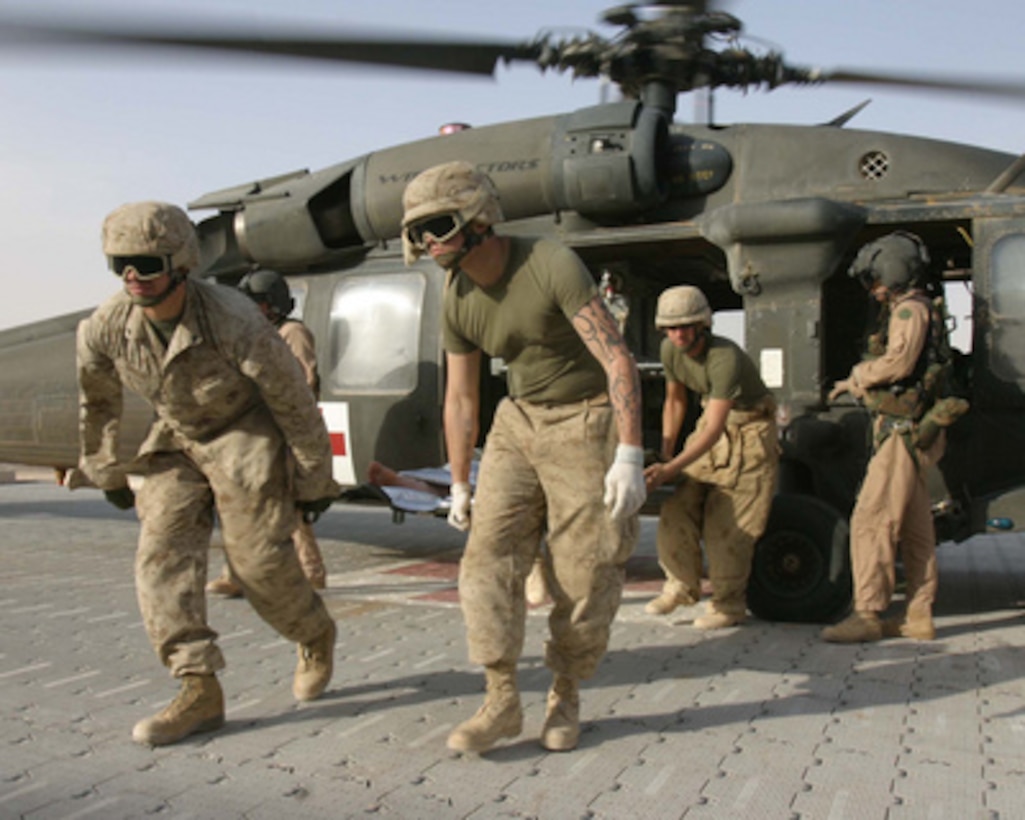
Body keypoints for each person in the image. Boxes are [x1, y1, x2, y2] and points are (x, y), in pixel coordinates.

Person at [401, 161, 646, 753]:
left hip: (585, 415)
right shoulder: (457, 296)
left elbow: (617, 358)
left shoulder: (549, 263)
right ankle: (501, 700)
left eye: (438, 225)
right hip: (519, 419)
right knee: (485, 560)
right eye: (417, 232)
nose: (429, 243)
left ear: (479, 218)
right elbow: (460, 398)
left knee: (585, 568)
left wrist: (630, 452)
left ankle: (565, 691)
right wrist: (460, 483)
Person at [76, 201, 339, 747]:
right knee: (160, 554)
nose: (132, 277)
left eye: (146, 264)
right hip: (177, 437)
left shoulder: (233, 320)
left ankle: (315, 634)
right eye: (120, 264)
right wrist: (104, 469)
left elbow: (292, 399)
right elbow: (98, 400)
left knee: (258, 566)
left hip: (243, 432)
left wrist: (313, 479)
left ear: (180, 263)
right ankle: (198, 687)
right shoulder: (107, 326)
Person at [822, 231, 961, 643]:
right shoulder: (922, 307)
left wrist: (856, 378)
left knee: (872, 519)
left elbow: (898, 364)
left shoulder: (908, 312)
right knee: (917, 526)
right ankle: (919, 614)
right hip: (913, 430)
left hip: (901, 430)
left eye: (875, 278)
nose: (873, 289)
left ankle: (867, 613)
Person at [643, 286, 779, 629]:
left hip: (749, 430)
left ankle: (728, 605)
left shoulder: (724, 358)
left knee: (729, 522)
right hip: (710, 426)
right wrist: (666, 454)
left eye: (686, 326)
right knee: (678, 506)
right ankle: (680, 585)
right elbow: (675, 402)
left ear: (702, 324)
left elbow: (716, 428)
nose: (678, 334)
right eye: (671, 328)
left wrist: (670, 468)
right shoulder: (670, 350)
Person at [207, 270, 328, 596]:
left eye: (257, 303)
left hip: (283, 431)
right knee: (238, 503)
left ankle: (310, 569)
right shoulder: (252, 336)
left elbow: (305, 382)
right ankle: (236, 573)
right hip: (253, 433)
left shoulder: (292, 333)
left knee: (291, 505)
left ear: (272, 305)